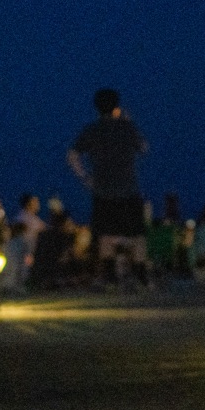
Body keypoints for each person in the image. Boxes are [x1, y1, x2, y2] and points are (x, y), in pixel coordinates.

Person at [67, 88, 149, 287]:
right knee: (137, 235)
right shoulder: (127, 127)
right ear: (116, 106)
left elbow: (72, 155)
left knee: (106, 236)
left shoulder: (92, 129)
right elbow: (144, 148)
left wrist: (85, 177)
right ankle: (141, 278)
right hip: (128, 189)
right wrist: (128, 122)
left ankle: (110, 278)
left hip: (102, 190)